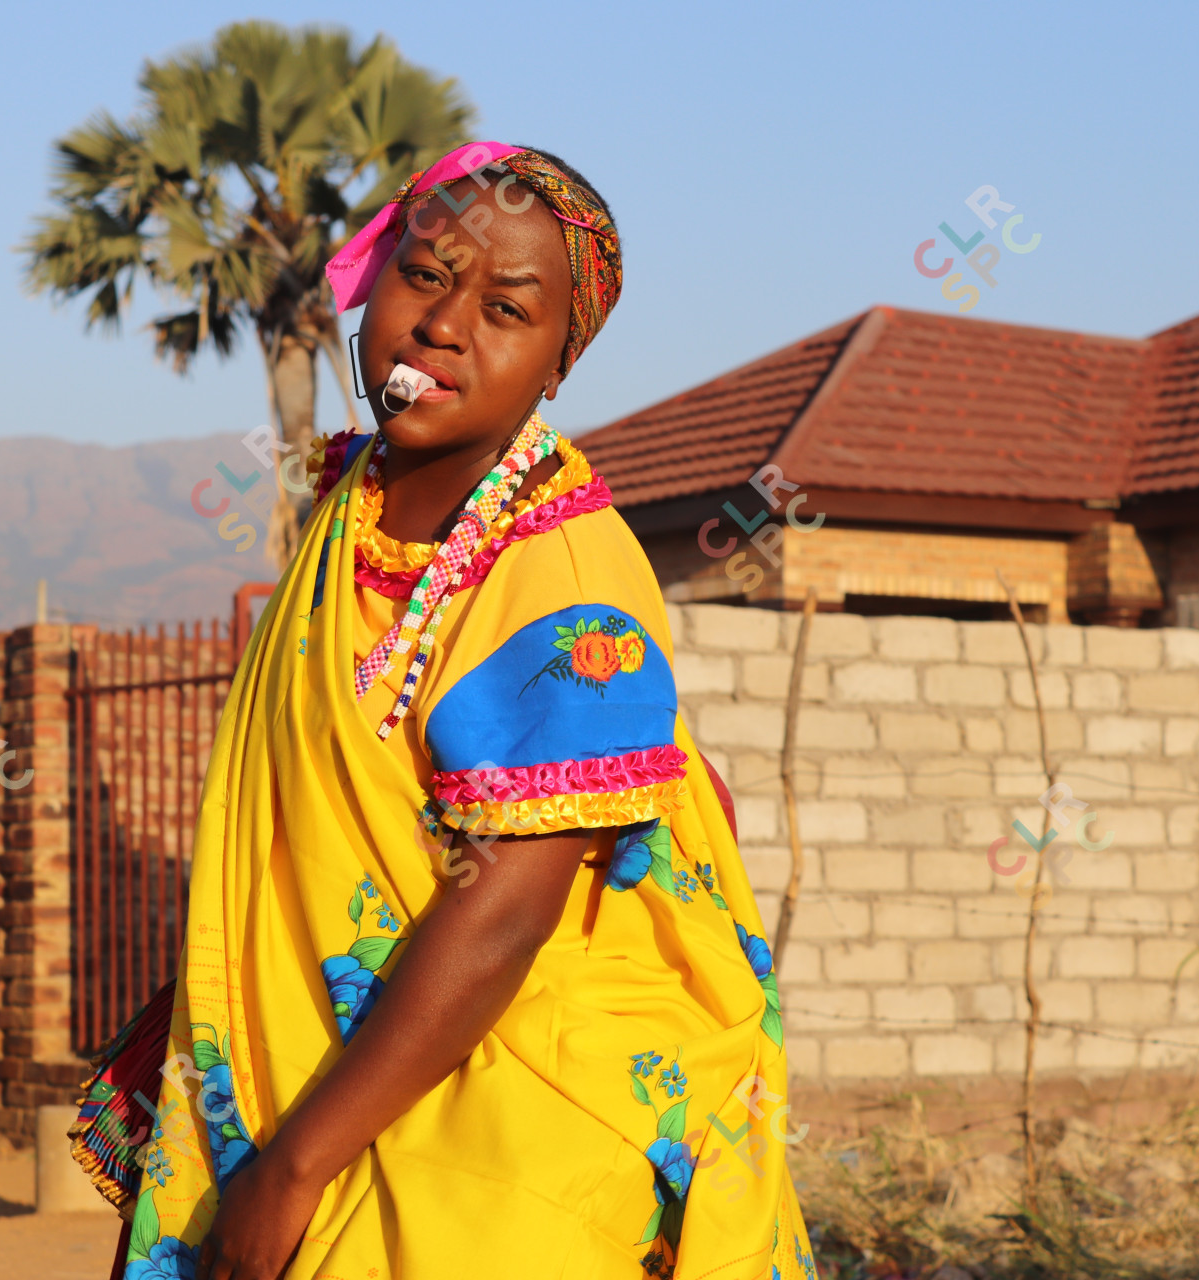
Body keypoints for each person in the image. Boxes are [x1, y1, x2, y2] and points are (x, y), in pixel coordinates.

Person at [122, 143, 815, 1280]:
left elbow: (501, 914)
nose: (445, 324)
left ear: (556, 363)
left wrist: (293, 1168)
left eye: (505, 307)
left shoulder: (563, 568)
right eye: (426, 274)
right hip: (346, 1073)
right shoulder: (355, 501)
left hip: (517, 1099)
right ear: (371, 276)